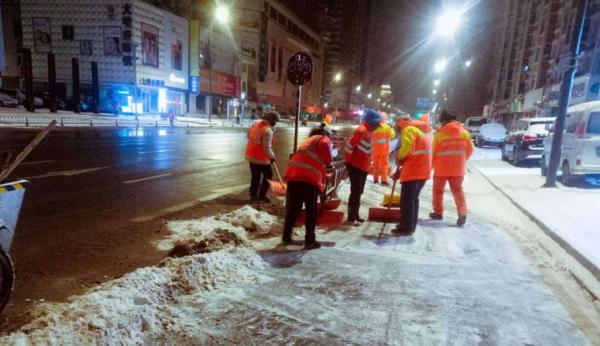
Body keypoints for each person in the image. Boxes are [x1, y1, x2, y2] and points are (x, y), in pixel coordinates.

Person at [282, 127, 334, 250]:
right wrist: (330, 163)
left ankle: (286, 236)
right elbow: (326, 156)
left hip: (293, 176)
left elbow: (310, 159)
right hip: (308, 179)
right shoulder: (323, 139)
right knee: (311, 211)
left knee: (293, 208)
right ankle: (310, 240)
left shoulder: (308, 141)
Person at [430, 110, 473, 226]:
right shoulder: (464, 133)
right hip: (458, 169)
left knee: (438, 191)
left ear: (444, 121)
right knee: (458, 191)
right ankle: (462, 213)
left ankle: (438, 213)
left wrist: (431, 167)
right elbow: (470, 150)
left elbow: (433, 153)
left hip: (441, 169)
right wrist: (461, 160)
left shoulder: (439, 135)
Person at [392, 115, 432, 234]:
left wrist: (398, 154)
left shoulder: (408, 130)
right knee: (413, 199)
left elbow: (407, 149)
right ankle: (410, 226)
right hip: (422, 171)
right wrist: (400, 170)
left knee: (407, 201)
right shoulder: (419, 132)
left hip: (414, 171)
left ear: (400, 126)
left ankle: (405, 228)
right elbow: (414, 153)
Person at [344, 109, 382, 225]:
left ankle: (355, 214)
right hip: (356, 167)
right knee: (355, 192)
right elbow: (349, 147)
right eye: (377, 124)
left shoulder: (368, 132)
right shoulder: (362, 131)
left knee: (358, 192)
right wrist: (349, 163)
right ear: (372, 122)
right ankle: (351, 217)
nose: (377, 127)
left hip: (363, 168)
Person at [245, 112, 280, 203]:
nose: (275, 124)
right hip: (261, 159)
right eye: (275, 122)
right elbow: (266, 147)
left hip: (251, 155)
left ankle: (253, 195)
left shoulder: (256, 124)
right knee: (268, 176)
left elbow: (248, 135)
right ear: (271, 121)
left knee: (255, 177)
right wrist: (272, 157)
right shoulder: (267, 130)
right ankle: (262, 195)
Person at [371, 113, 396, 185]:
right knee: (384, 165)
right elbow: (392, 135)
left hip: (375, 149)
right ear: (385, 118)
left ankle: (375, 180)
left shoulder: (374, 127)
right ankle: (384, 180)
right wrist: (392, 129)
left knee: (376, 165)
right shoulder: (387, 127)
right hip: (384, 149)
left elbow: (371, 136)